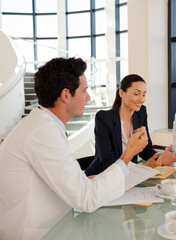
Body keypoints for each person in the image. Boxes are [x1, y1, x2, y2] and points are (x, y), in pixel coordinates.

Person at [0, 58, 149, 240]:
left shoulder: (44, 125)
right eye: (84, 90)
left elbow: (64, 180)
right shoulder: (42, 132)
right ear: (65, 95)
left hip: (55, 226)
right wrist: (128, 155)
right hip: (38, 233)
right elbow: (86, 199)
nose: (88, 97)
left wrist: (87, 180)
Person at [85, 74, 176, 176]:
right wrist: (144, 167)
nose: (141, 99)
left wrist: (159, 157)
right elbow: (107, 162)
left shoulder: (141, 113)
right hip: (102, 176)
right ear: (122, 93)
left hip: (130, 175)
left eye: (144, 94)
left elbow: (146, 149)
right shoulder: (104, 118)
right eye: (136, 94)